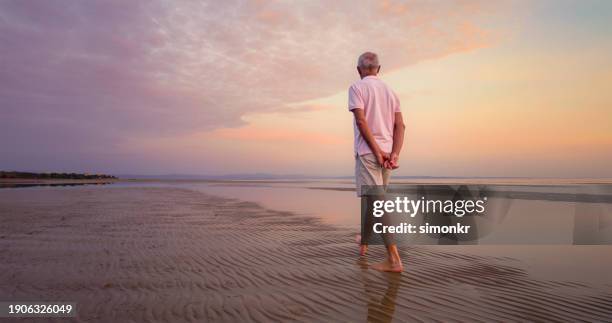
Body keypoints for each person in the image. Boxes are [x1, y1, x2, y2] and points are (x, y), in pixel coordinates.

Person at [349, 52, 405, 272]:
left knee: (378, 204)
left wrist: (377, 151)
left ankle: (394, 259)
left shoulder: (357, 88)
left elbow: (361, 121)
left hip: (369, 153)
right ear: (379, 69)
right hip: (386, 156)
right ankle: (364, 241)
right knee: (375, 201)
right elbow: (400, 126)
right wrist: (394, 154)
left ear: (359, 69)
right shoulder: (391, 91)